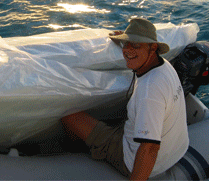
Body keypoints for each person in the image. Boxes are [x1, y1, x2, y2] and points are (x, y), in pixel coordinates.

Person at [61, 17, 189, 180]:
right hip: (175, 151)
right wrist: (127, 41)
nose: (127, 50)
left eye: (136, 44)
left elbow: (149, 148)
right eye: (126, 43)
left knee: (70, 118)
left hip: (136, 159)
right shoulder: (164, 65)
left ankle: (79, 153)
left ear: (153, 48)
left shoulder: (149, 92)